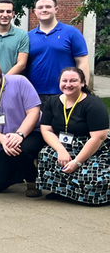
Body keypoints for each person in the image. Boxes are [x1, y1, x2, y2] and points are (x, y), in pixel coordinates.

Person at [0, 55, 45, 195]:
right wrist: (3, 140)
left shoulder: (19, 81)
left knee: (20, 149)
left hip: (34, 132)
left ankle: (32, 180)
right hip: (5, 141)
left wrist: (19, 135)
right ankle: (21, 167)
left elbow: (34, 112)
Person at [37, 67, 110, 204]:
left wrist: (77, 162)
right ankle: (63, 191)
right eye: (64, 80)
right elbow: (46, 129)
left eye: (73, 80)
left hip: (93, 148)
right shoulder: (52, 101)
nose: (68, 84)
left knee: (93, 179)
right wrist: (60, 150)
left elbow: (99, 137)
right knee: (46, 153)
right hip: (65, 144)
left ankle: (90, 196)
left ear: (83, 83)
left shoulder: (93, 104)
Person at [27, 0, 89, 98]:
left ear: (56, 9)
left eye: (48, 7)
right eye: (40, 7)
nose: (44, 10)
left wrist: (83, 89)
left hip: (65, 91)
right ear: (35, 11)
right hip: (35, 92)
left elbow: (82, 61)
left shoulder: (72, 33)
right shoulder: (28, 36)